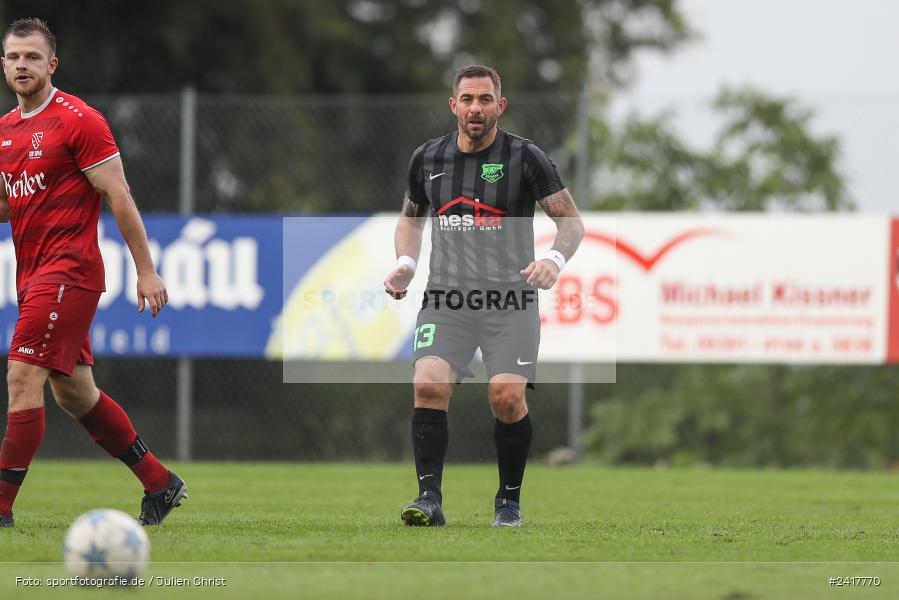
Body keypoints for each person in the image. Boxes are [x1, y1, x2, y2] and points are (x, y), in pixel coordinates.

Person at [0, 18, 186, 528]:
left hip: (70, 271)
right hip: (32, 274)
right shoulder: (5, 132)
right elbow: (9, 205)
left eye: (32, 57)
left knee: (22, 377)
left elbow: (118, 194)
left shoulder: (78, 120)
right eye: (14, 56)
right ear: (3, 63)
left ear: (51, 64)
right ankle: (159, 482)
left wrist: (146, 271)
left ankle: (0, 508)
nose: (22, 65)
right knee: (74, 392)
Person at [384, 65, 584, 527]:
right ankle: (428, 500)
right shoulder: (427, 158)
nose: (477, 108)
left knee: (507, 398)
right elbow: (410, 220)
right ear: (453, 105)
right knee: (428, 384)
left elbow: (570, 221)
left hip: (510, 299)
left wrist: (553, 260)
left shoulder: (525, 157)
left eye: (486, 99)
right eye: (468, 99)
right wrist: (406, 265)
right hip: (447, 297)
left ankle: (508, 502)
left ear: (500, 105)